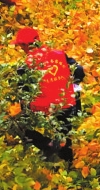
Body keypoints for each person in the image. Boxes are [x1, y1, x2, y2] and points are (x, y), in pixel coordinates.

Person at [14, 28, 84, 164]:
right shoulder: (59, 54)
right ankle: (68, 163)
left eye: (21, 45)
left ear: (25, 45)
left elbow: (23, 94)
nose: (21, 48)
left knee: (18, 125)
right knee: (65, 133)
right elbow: (79, 71)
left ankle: (49, 145)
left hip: (44, 110)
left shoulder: (25, 67)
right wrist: (68, 84)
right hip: (68, 105)